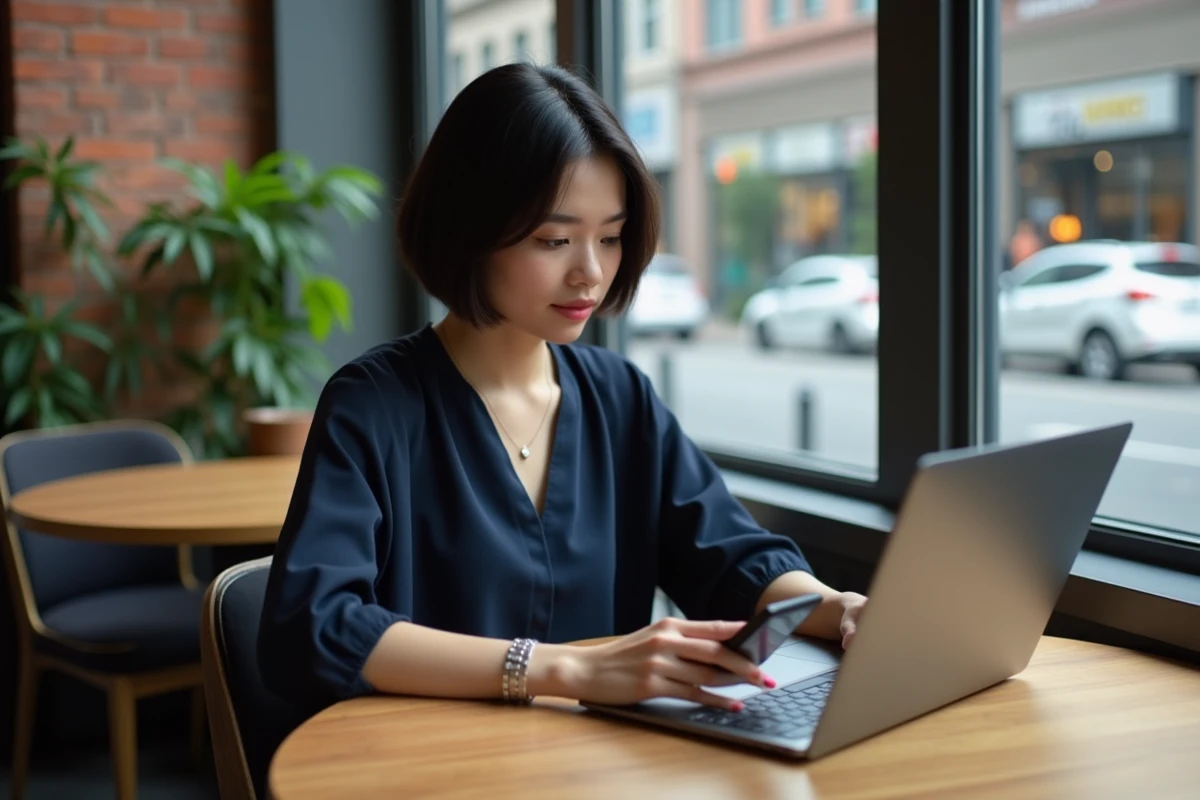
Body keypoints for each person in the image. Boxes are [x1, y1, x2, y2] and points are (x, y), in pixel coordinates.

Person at [257, 63, 868, 720]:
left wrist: (838, 609)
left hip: (601, 773)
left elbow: (731, 556)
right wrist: (566, 668)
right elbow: (315, 628)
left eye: (610, 236)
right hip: (430, 769)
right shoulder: (374, 407)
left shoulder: (619, 398)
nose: (592, 271)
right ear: (470, 230)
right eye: (554, 239)